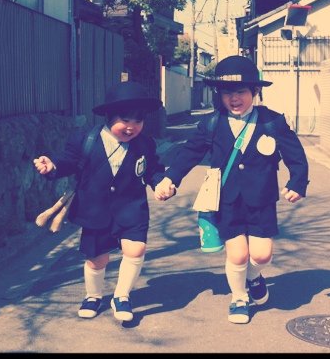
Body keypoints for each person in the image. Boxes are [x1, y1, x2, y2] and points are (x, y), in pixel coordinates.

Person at [154, 55, 309, 325]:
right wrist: (170, 178)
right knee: (237, 254)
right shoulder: (212, 124)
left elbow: (295, 154)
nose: (234, 99)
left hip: (261, 200)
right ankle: (239, 297)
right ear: (220, 94)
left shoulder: (272, 122)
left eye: (241, 92)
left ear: (255, 91)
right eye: (227, 93)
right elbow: (189, 153)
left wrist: (297, 182)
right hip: (227, 200)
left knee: (261, 255)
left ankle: (253, 276)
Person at [34, 81, 164, 322]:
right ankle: (93, 296)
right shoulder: (86, 139)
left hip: (132, 208)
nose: (131, 127)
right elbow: (68, 161)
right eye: (125, 120)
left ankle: (122, 296)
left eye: (138, 121)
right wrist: (52, 167)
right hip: (95, 210)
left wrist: (160, 183)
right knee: (97, 260)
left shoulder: (145, 144)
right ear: (109, 116)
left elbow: (153, 169)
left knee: (136, 249)